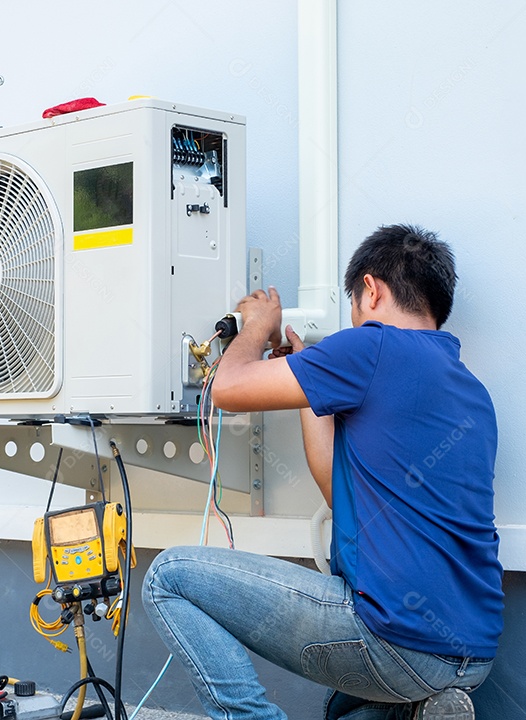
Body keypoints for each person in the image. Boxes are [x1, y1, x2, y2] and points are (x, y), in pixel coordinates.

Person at [142, 225, 503, 720]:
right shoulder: (471, 394)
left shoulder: (370, 347)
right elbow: (341, 489)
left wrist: (255, 324)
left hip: (392, 641)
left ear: (371, 290)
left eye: (354, 306)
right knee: (344, 711)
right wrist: (310, 383)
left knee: (168, 576)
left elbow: (227, 387)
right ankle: (423, 710)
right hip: (468, 654)